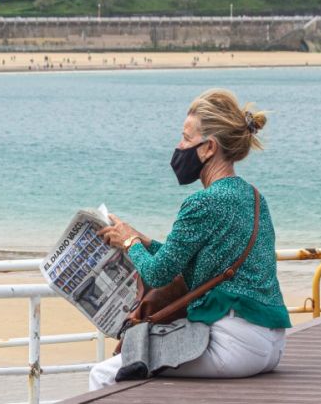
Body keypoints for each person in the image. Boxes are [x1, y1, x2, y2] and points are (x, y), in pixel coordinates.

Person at [89, 89, 290, 390]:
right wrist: (144, 242)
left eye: (185, 138)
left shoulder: (203, 202)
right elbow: (195, 264)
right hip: (272, 344)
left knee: (103, 375)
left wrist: (129, 242)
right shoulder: (255, 198)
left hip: (235, 344)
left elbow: (159, 273)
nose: (178, 146)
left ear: (208, 147)